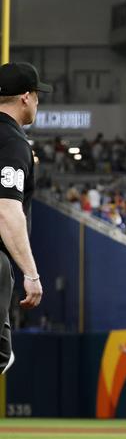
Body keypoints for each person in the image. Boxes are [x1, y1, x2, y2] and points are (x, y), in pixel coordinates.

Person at [0, 63, 50, 376]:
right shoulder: (12, 141)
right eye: (37, 95)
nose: (37, 102)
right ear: (26, 97)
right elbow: (5, 209)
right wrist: (30, 273)